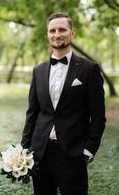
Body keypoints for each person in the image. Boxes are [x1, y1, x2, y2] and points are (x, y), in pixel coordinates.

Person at [21, 12, 106, 195]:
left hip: (73, 153)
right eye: (52, 30)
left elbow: (98, 116)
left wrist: (89, 150)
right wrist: (24, 147)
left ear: (72, 33)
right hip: (40, 153)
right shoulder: (38, 70)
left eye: (62, 29)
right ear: (47, 34)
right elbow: (32, 112)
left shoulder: (89, 69)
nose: (56, 34)